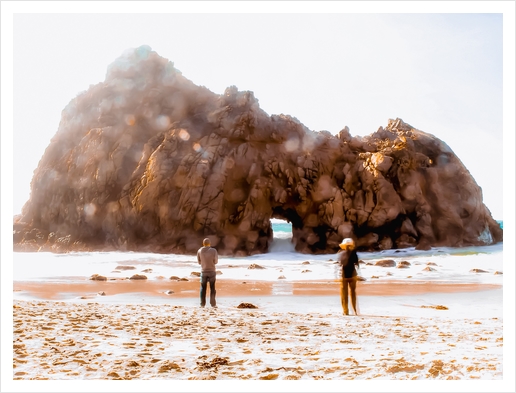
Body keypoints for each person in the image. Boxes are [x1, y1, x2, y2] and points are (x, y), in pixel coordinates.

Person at [338, 237, 360, 316]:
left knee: (344, 294)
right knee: (353, 293)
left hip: (344, 275)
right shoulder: (354, 253)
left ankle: (345, 311)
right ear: (351, 245)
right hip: (352, 275)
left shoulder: (341, 254)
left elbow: (340, 265)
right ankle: (354, 311)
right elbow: (357, 264)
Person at [197, 238, 218, 308]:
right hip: (212, 271)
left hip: (203, 271)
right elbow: (216, 262)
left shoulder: (199, 251)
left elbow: (199, 262)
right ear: (210, 244)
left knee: (203, 288)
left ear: (203, 244)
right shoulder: (214, 251)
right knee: (212, 288)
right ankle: (213, 304)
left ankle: (202, 304)